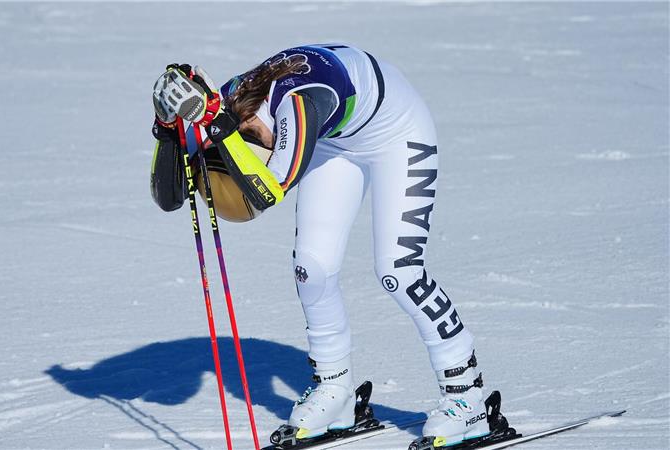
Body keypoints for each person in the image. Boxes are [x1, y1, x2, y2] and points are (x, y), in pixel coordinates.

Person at [150, 44, 489, 447]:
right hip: (335, 141)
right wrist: (168, 131)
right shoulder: (232, 102)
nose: (264, 152)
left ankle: (467, 400)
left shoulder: (301, 105)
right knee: (311, 267)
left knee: (399, 270)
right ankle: (335, 392)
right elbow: (171, 197)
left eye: (258, 144)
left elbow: (264, 193)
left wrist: (222, 133)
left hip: (398, 134)